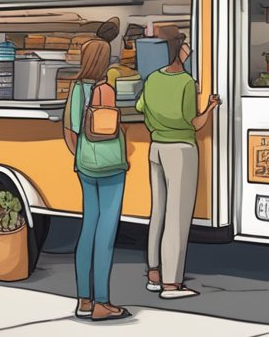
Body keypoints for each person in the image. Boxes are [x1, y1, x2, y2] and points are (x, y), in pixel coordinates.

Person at [134, 25, 219, 300]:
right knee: (177, 218)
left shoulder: (151, 80)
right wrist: (210, 108)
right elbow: (192, 123)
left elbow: (139, 108)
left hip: (156, 147)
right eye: (183, 44)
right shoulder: (185, 82)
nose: (187, 49)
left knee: (157, 213)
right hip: (180, 150)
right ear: (177, 49)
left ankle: (154, 274)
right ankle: (172, 284)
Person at [64, 39, 129, 321]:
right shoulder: (106, 89)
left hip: (86, 166)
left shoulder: (76, 89)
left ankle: (84, 300)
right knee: (106, 232)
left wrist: (81, 156)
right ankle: (102, 301)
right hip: (112, 165)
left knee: (88, 228)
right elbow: (112, 126)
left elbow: (70, 131)